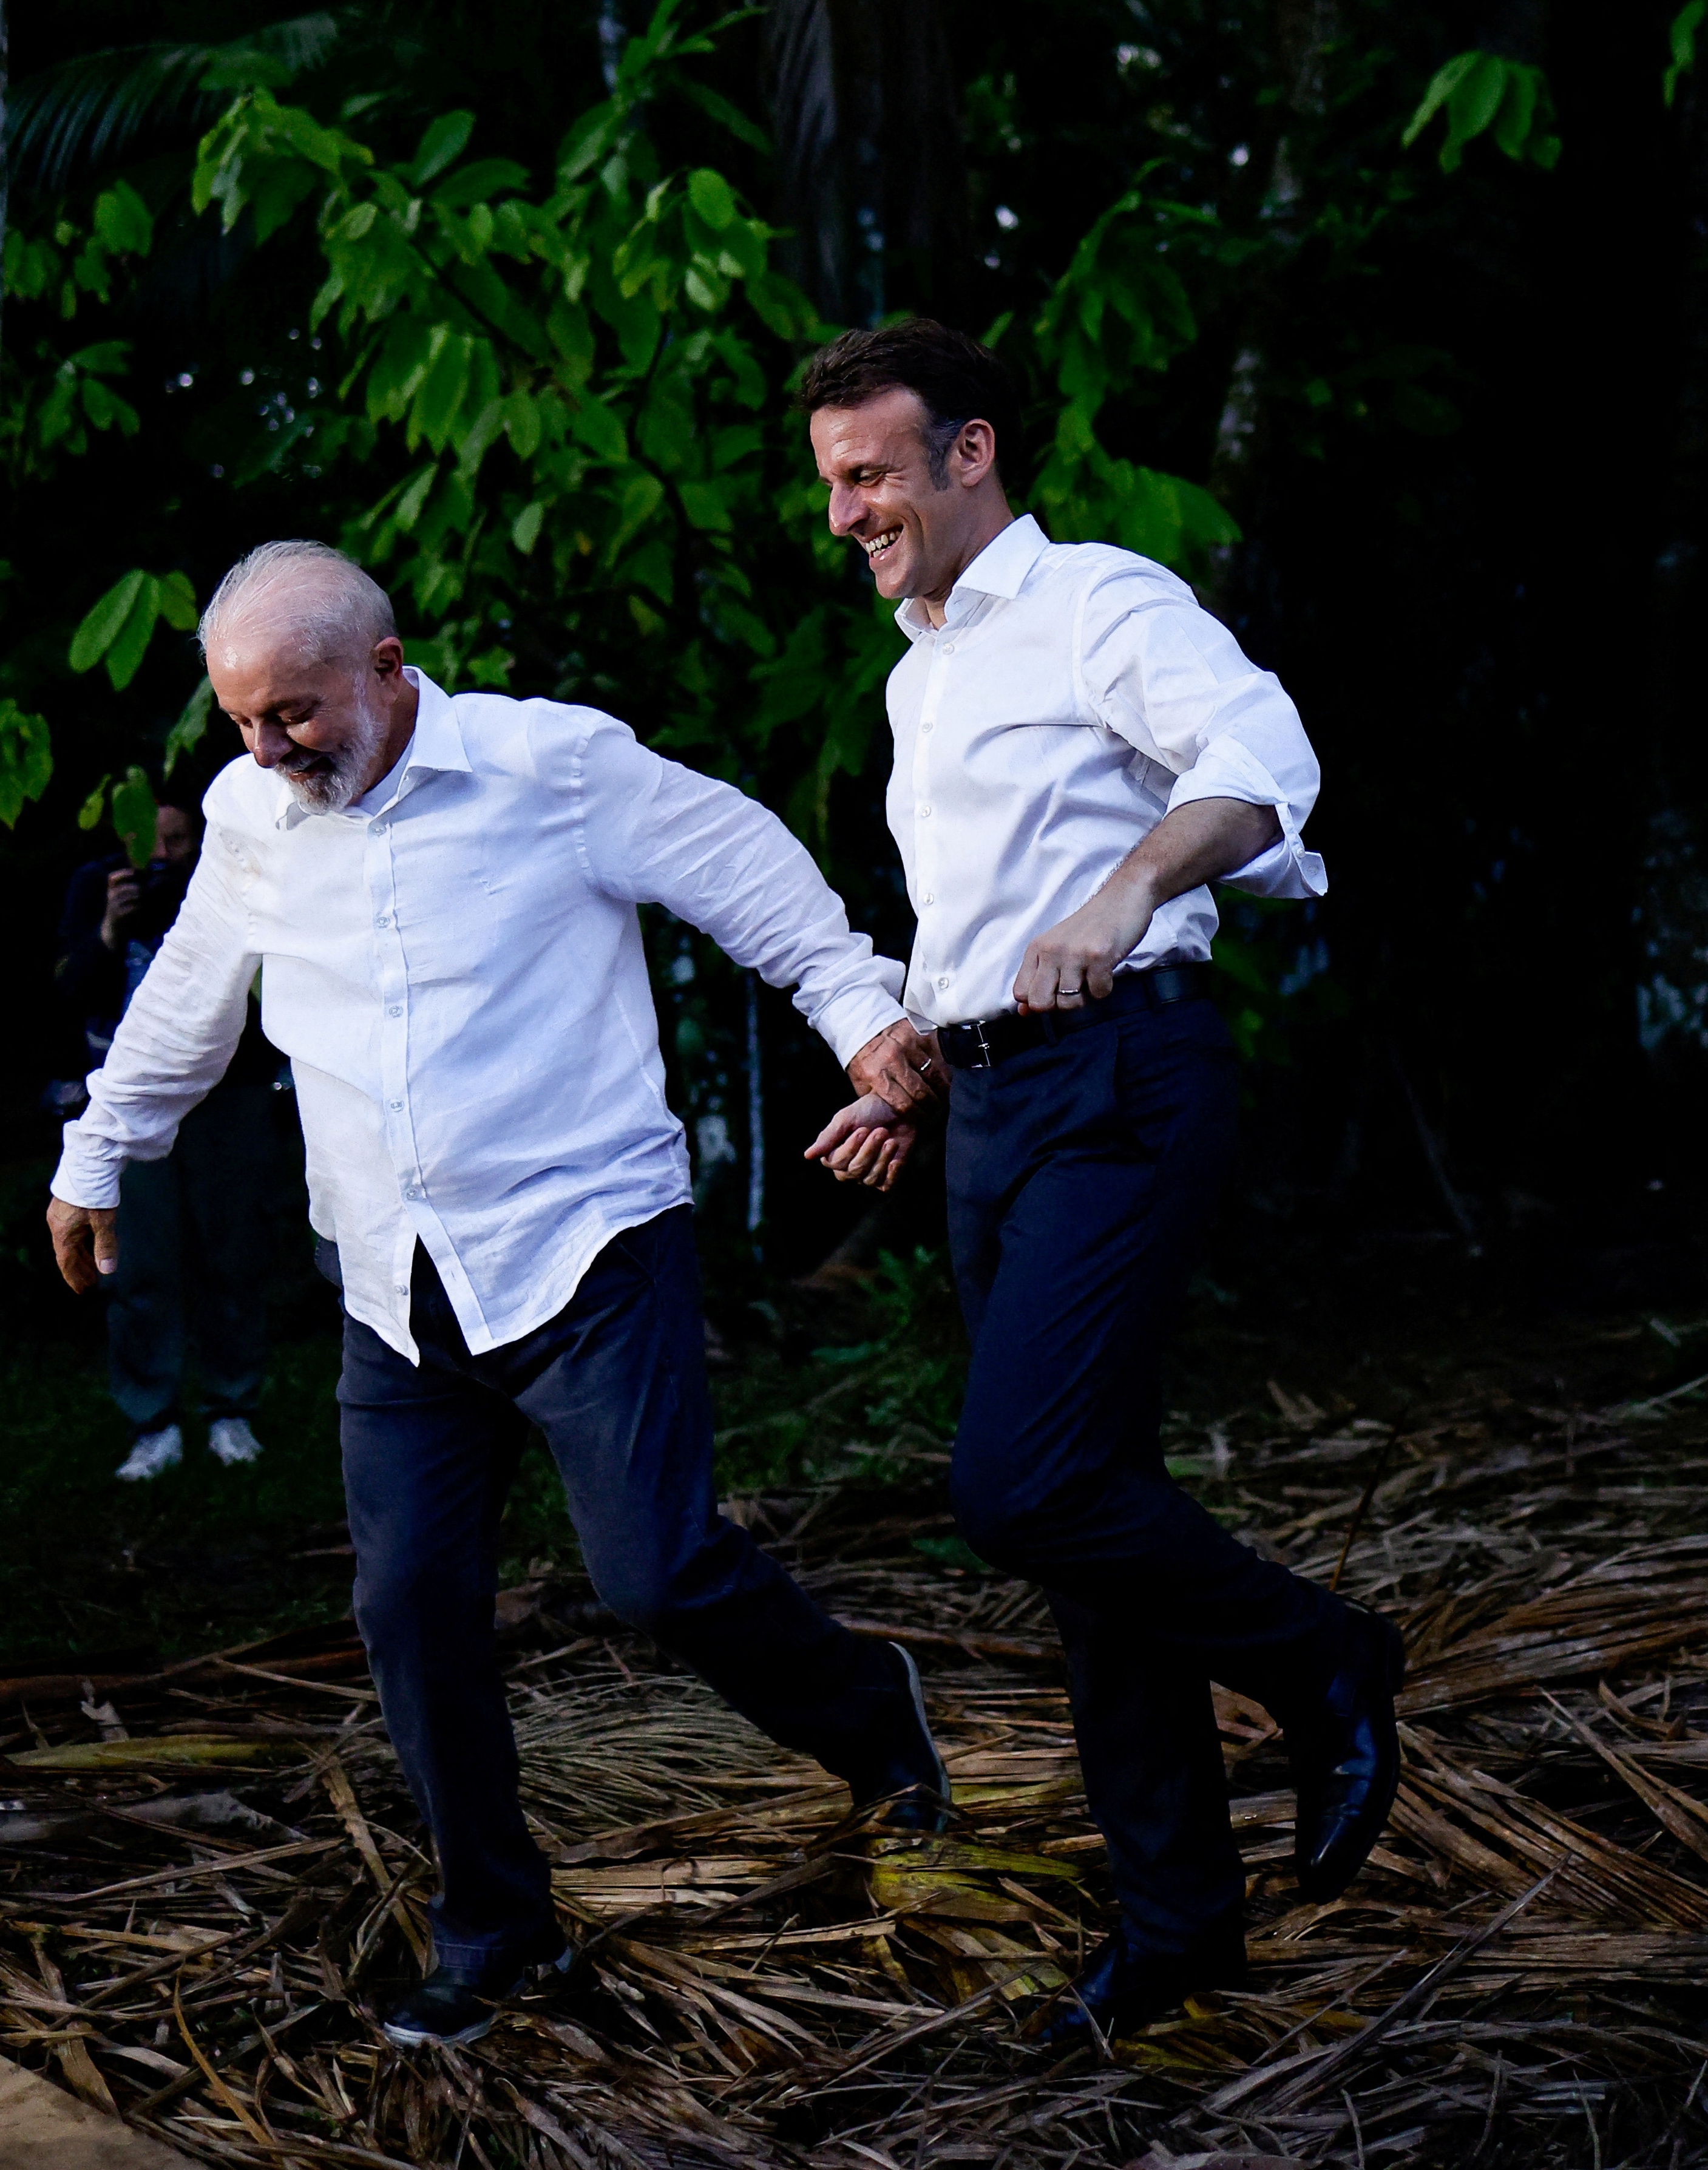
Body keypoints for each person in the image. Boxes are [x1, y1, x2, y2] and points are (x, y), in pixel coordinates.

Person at [46, 540, 949, 2051]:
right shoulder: (253, 817)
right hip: (394, 1291)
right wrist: (99, 1153)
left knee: (655, 1574)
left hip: (587, 1250)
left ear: (388, 668)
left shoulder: (551, 763)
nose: (266, 751)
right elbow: (190, 997)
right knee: (408, 1609)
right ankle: (495, 1926)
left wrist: (860, 1011)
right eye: (241, 722)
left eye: (296, 713)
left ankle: (876, 1715)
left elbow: (744, 867)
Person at [801, 320, 1404, 2044]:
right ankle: (1176, 1921)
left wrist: (1126, 890)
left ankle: (1320, 1657)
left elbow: (1255, 767)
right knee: (1087, 1521)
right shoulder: (919, 667)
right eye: (830, 480)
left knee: (1017, 1480)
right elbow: (983, 911)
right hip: (990, 1105)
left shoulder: (1099, 602)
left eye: (873, 473)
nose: (846, 509)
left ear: (969, 451)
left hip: (1125, 1073)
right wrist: (917, 1051)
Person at [57, 792, 279, 1480]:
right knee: (136, 1262)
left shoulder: (227, 877)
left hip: (229, 1095)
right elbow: (71, 993)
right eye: (150, 845)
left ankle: (231, 1407)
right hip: (126, 1098)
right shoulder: (98, 884)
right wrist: (108, 929)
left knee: (232, 1252)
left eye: (178, 843)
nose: (162, 858)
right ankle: (152, 1418)